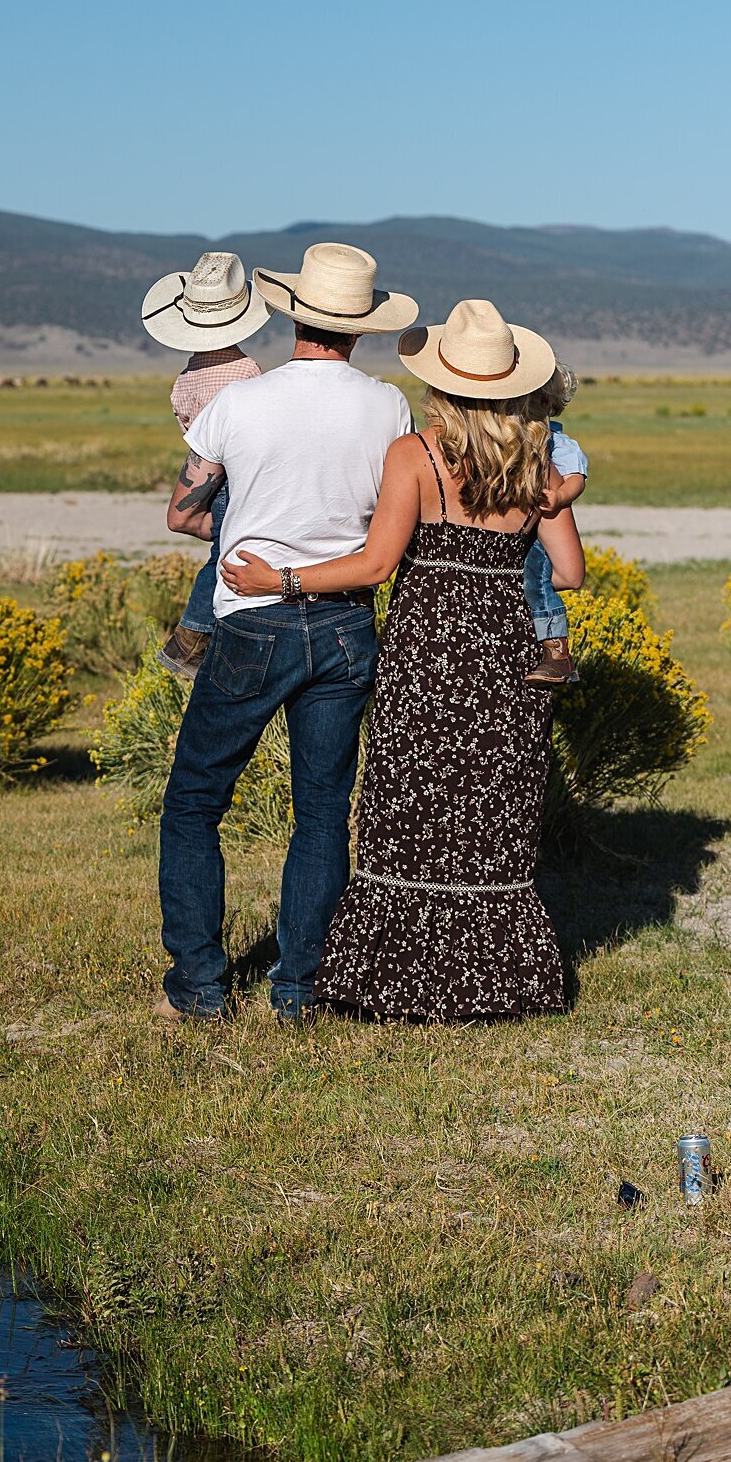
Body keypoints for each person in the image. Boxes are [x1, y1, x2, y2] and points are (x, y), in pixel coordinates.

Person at [222, 298, 583, 1024]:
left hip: (426, 662)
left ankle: (402, 980)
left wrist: (280, 580)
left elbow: (377, 564)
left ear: (441, 383)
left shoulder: (414, 455)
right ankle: (496, 983)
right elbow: (569, 570)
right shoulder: (536, 468)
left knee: (408, 811)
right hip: (503, 664)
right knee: (491, 818)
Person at [156, 241, 417, 1024]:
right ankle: (298, 989)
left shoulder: (239, 404)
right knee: (322, 814)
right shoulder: (389, 407)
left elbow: (182, 513)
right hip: (344, 626)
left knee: (196, 802)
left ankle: (200, 987)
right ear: (362, 328)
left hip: (250, 622)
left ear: (293, 314)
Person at [139, 252, 272, 680]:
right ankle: (192, 638)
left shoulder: (184, 379)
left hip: (210, 480)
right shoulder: (248, 370)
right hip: (239, 478)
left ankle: (203, 639)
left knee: (221, 553)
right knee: (231, 558)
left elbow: (192, 437)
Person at [523, 362, 588, 686]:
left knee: (537, 581)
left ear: (549, 404)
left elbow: (577, 478)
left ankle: (556, 650)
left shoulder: (559, 444)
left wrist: (560, 496)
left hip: (542, 531)